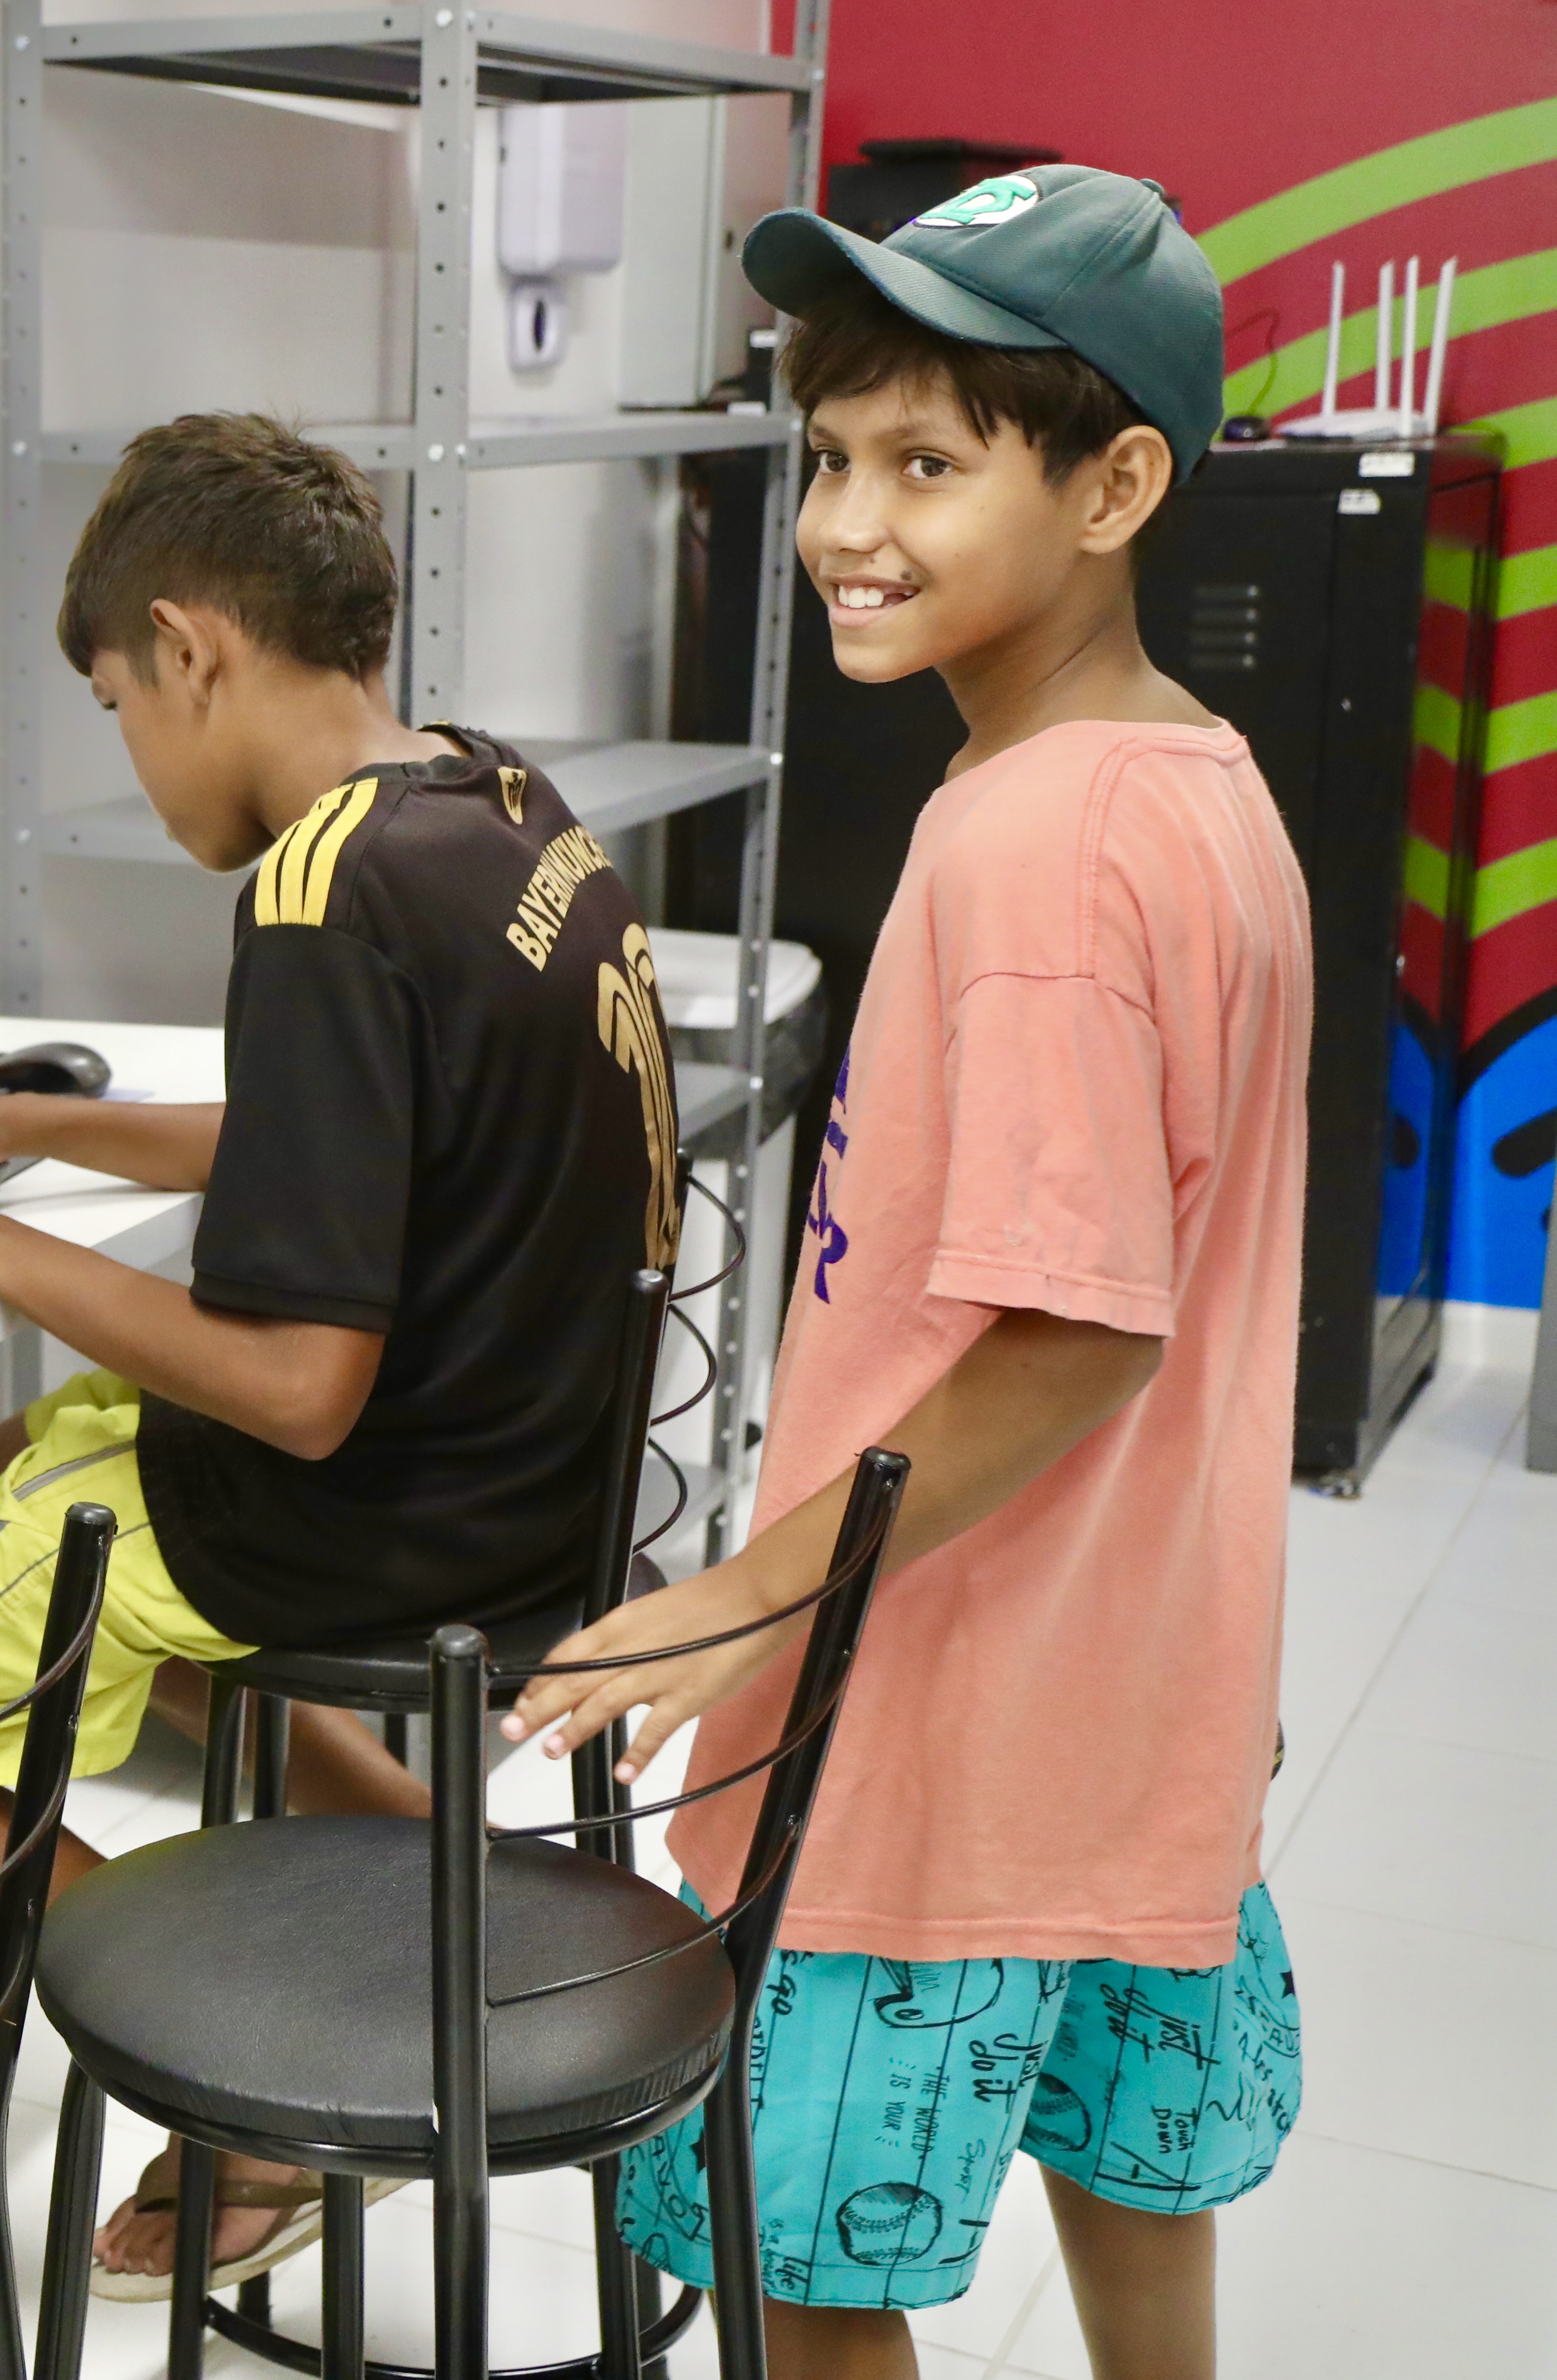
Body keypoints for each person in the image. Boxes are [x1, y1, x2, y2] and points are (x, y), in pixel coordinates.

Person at [506, 168, 1307, 2380]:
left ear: (1119, 481)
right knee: (1133, 2192)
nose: (850, 520)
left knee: (805, 2266)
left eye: (930, 465)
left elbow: (1074, 1327)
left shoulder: (1035, 841)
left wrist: (730, 1597)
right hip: (1138, 1706)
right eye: (833, 455)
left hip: (938, 1731)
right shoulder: (1198, 788)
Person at [0, 411, 684, 2296]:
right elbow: (339, 1139)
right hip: (541, 1483)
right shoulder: (485, 801)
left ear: (189, 648)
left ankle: (252, 2098)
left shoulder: (316, 893)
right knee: (6, 1483)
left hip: (393, 1510)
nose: (131, 744)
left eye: (116, 701)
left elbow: (293, 1389)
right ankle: (474, 1903)